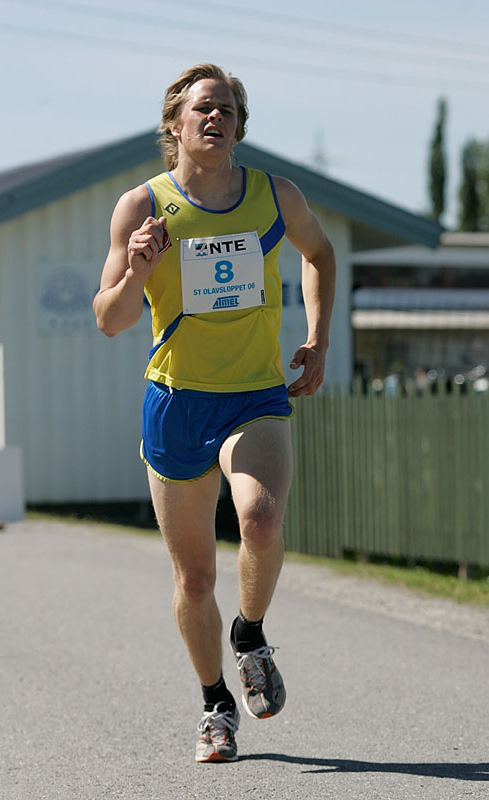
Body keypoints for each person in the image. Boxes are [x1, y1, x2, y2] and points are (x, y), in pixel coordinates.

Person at [93, 63, 336, 763]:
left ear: (239, 126)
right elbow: (109, 319)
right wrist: (138, 270)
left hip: (255, 394)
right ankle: (215, 705)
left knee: (259, 517)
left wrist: (317, 338)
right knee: (195, 580)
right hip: (176, 401)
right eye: (203, 108)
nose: (216, 118)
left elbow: (319, 253)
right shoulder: (142, 206)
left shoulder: (274, 196)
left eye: (227, 109)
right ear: (175, 124)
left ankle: (250, 634)